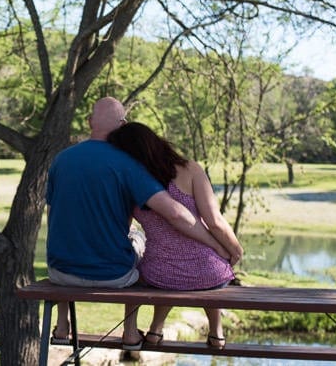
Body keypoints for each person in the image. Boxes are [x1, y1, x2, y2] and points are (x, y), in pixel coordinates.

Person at [46, 97, 231, 350]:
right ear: (123, 124)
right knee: (137, 243)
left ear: (90, 122)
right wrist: (214, 243)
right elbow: (176, 214)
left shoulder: (61, 160)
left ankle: (62, 325)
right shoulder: (127, 164)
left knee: (71, 241)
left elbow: (54, 212)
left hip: (60, 273)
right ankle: (130, 333)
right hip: (113, 276)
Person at [107, 121, 244, 349]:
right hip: (208, 272)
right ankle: (216, 332)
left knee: (160, 268)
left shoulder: (130, 183)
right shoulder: (190, 169)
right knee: (210, 268)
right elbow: (215, 222)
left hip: (160, 274)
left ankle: (155, 329)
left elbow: (123, 227)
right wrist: (236, 250)